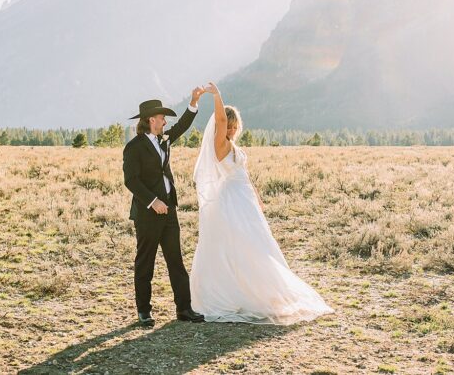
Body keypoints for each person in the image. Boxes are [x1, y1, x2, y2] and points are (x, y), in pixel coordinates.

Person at [190, 82, 333, 324]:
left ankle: (256, 291)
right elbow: (221, 122)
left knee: (257, 245)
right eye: (229, 125)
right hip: (231, 203)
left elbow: (242, 173)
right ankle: (238, 293)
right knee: (241, 246)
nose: (232, 130)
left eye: (236, 126)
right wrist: (217, 96)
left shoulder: (232, 145)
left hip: (244, 200)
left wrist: (255, 195)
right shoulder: (219, 144)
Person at [122, 90, 206, 326]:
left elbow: (181, 126)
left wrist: (193, 103)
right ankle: (144, 311)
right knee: (145, 262)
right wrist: (152, 201)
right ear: (151, 120)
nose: (165, 122)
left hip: (169, 211)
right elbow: (131, 180)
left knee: (176, 261)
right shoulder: (134, 147)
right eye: (161, 118)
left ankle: (184, 309)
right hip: (147, 214)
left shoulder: (163, 139)